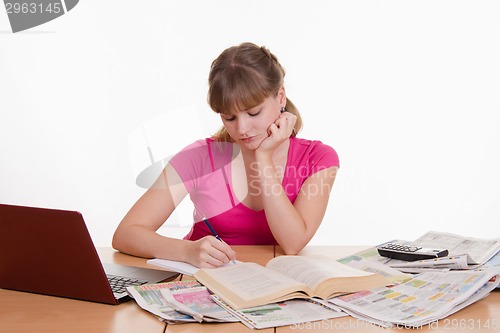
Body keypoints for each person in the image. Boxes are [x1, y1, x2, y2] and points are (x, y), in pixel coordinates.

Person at [112, 42, 339, 268]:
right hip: (204, 281)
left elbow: (292, 243)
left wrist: (263, 157)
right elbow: (126, 234)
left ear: (280, 97)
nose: (242, 129)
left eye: (253, 112)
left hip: (276, 286)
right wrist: (187, 251)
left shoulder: (318, 158)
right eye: (229, 117)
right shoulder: (199, 157)